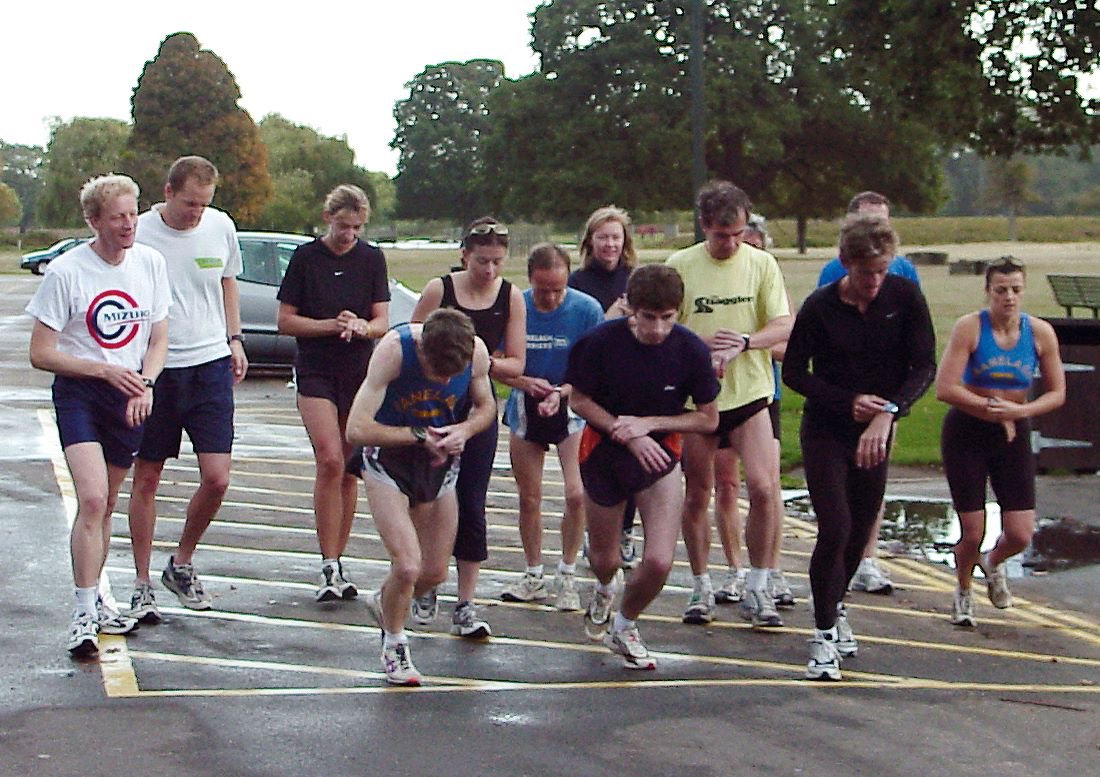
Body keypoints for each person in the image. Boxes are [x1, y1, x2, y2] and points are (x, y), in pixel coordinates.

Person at [783, 215, 935, 681]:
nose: (874, 282)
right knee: (835, 526)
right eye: (866, 272)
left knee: (860, 527)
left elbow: (923, 366)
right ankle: (822, 634)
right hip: (827, 428)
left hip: (877, 428)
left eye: (882, 271)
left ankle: (835, 604)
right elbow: (794, 372)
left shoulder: (903, 297)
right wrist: (845, 401)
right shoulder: (821, 306)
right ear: (845, 263)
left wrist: (889, 412)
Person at [26, 173, 170, 655]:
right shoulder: (67, 271)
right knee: (90, 499)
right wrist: (103, 371)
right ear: (94, 222)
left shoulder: (150, 263)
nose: (128, 225)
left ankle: (100, 603)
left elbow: (158, 337)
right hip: (81, 393)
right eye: (117, 218)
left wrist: (145, 383)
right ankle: (83, 612)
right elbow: (41, 352)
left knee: (106, 504)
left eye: (132, 215)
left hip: (130, 395)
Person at [568, 264, 719, 669]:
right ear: (629, 309)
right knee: (605, 559)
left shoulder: (690, 349)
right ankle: (605, 586)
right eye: (648, 318)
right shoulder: (599, 343)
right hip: (603, 452)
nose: (657, 329)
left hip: (660, 455)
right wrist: (627, 433)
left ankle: (625, 624)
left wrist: (650, 425)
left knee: (658, 561)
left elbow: (708, 419)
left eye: (667, 318)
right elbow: (579, 400)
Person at [125, 156, 247, 621]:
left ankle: (180, 563)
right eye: (189, 203)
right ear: (168, 192)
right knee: (147, 476)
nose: (197, 212)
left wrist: (234, 339)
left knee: (217, 477)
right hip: (157, 369)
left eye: (204, 204)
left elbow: (227, 282)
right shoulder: (140, 232)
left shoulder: (220, 226)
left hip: (210, 363)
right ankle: (141, 583)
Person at [666, 180, 793, 628]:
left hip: (751, 393)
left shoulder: (761, 264)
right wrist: (702, 347)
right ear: (704, 226)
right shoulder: (680, 266)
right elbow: (664, 329)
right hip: (699, 400)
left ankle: (758, 584)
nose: (732, 243)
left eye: (738, 234)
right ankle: (700, 584)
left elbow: (783, 323)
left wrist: (745, 341)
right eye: (723, 236)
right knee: (699, 492)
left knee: (762, 487)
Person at [346, 309, 495, 685]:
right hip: (388, 461)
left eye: (452, 374)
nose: (445, 381)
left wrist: (464, 430)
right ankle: (394, 643)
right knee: (408, 565)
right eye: (437, 372)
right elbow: (356, 428)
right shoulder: (395, 351)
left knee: (433, 573)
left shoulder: (476, 352)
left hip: (438, 465)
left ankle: (385, 600)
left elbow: (486, 406)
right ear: (423, 350)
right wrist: (416, 435)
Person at [409, 217, 525, 638]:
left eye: (497, 262)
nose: (489, 270)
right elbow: (410, 342)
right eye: (481, 261)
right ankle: (425, 581)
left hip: (477, 406)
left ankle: (466, 602)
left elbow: (516, 363)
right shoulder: (439, 290)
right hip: (433, 404)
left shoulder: (510, 297)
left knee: (472, 501)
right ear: (464, 256)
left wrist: (477, 360)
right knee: (427, 498)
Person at [934, 258, 1064, 627]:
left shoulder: (1039, 333)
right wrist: (991, 409)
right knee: (972, 531)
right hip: (967, 431)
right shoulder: (970, 328)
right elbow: (945, 388)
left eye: (1016, 290)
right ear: (988, 292)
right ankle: (963, 589)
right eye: (1001, 290)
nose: (1009, 297)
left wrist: (1018, 412)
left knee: (1020, 533)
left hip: (1012, 431)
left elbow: (1057, 393)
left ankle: (993, 564)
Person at [276, 185, 390, 603]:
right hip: (316, 368)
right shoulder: (306, 258)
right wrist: (330, 325)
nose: (349, 235)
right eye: (343, 226)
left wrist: (361, 327)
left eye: (357, 228)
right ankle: (327, 562)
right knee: (328, 459)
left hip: (358, 370)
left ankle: (338, 561)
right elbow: (285, 321)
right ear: (328, 219)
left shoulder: (372, 258)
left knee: (348, 467)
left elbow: (382, 321)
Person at [817, 191, 921, 596]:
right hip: (842, 399)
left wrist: (893, 404)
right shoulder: (833, 273)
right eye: (867, 220)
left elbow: (916, 344)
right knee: (838, 502)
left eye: (883, 221)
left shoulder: (904, 274)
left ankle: (867, 556)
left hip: (886, 396)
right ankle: (841, 571)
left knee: (873, 478)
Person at [499, 243, 603, 610]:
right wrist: (525, 383)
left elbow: (595, 370)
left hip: (570, 403)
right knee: (529, 496)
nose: (551, 298)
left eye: (558, 289)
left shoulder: (587, 310)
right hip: (526, 404)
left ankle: (567, 573)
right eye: (543, 290)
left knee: (576, 493)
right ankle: (533, 574)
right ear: (530, 280)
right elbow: (493, 363)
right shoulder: (515, 306)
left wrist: (561, 393)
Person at [711, 219, 791, 608]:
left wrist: (748, 343)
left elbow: (788, 344)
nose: (744, 248)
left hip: (760, 393)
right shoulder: (713, 278)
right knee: (725, 484)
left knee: (766, 485)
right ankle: (734, 569)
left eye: (752, 243)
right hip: (718, 393)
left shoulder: (766, 279)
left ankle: (770, 571)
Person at [567, 205, 639, 567]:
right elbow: (577, 337)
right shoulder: (578, 283)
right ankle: (596, 533)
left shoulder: (635, 279)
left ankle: (625, 531)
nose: (610, 244)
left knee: (633, 459)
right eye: (603, 238)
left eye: (615, 238)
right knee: (597, 463)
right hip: (593, 382)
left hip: (631, 377)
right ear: (590, 242)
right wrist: (609, 317)